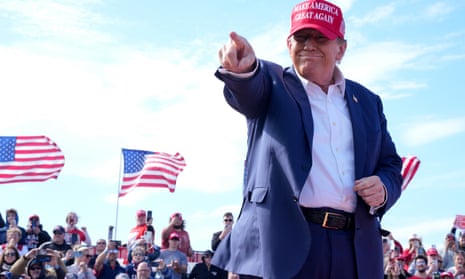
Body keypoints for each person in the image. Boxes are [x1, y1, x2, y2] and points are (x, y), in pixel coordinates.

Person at [211, 0, 403, 278]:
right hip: (286, 246)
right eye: (301, 37)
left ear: (341, 49)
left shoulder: (369, 103)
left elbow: (390, 165)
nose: (309, 45)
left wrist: (384, 187)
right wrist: (242, 71)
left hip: (355, 249)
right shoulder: (272, 83)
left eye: (321, 37)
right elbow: (249, 89)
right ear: (288, 44)